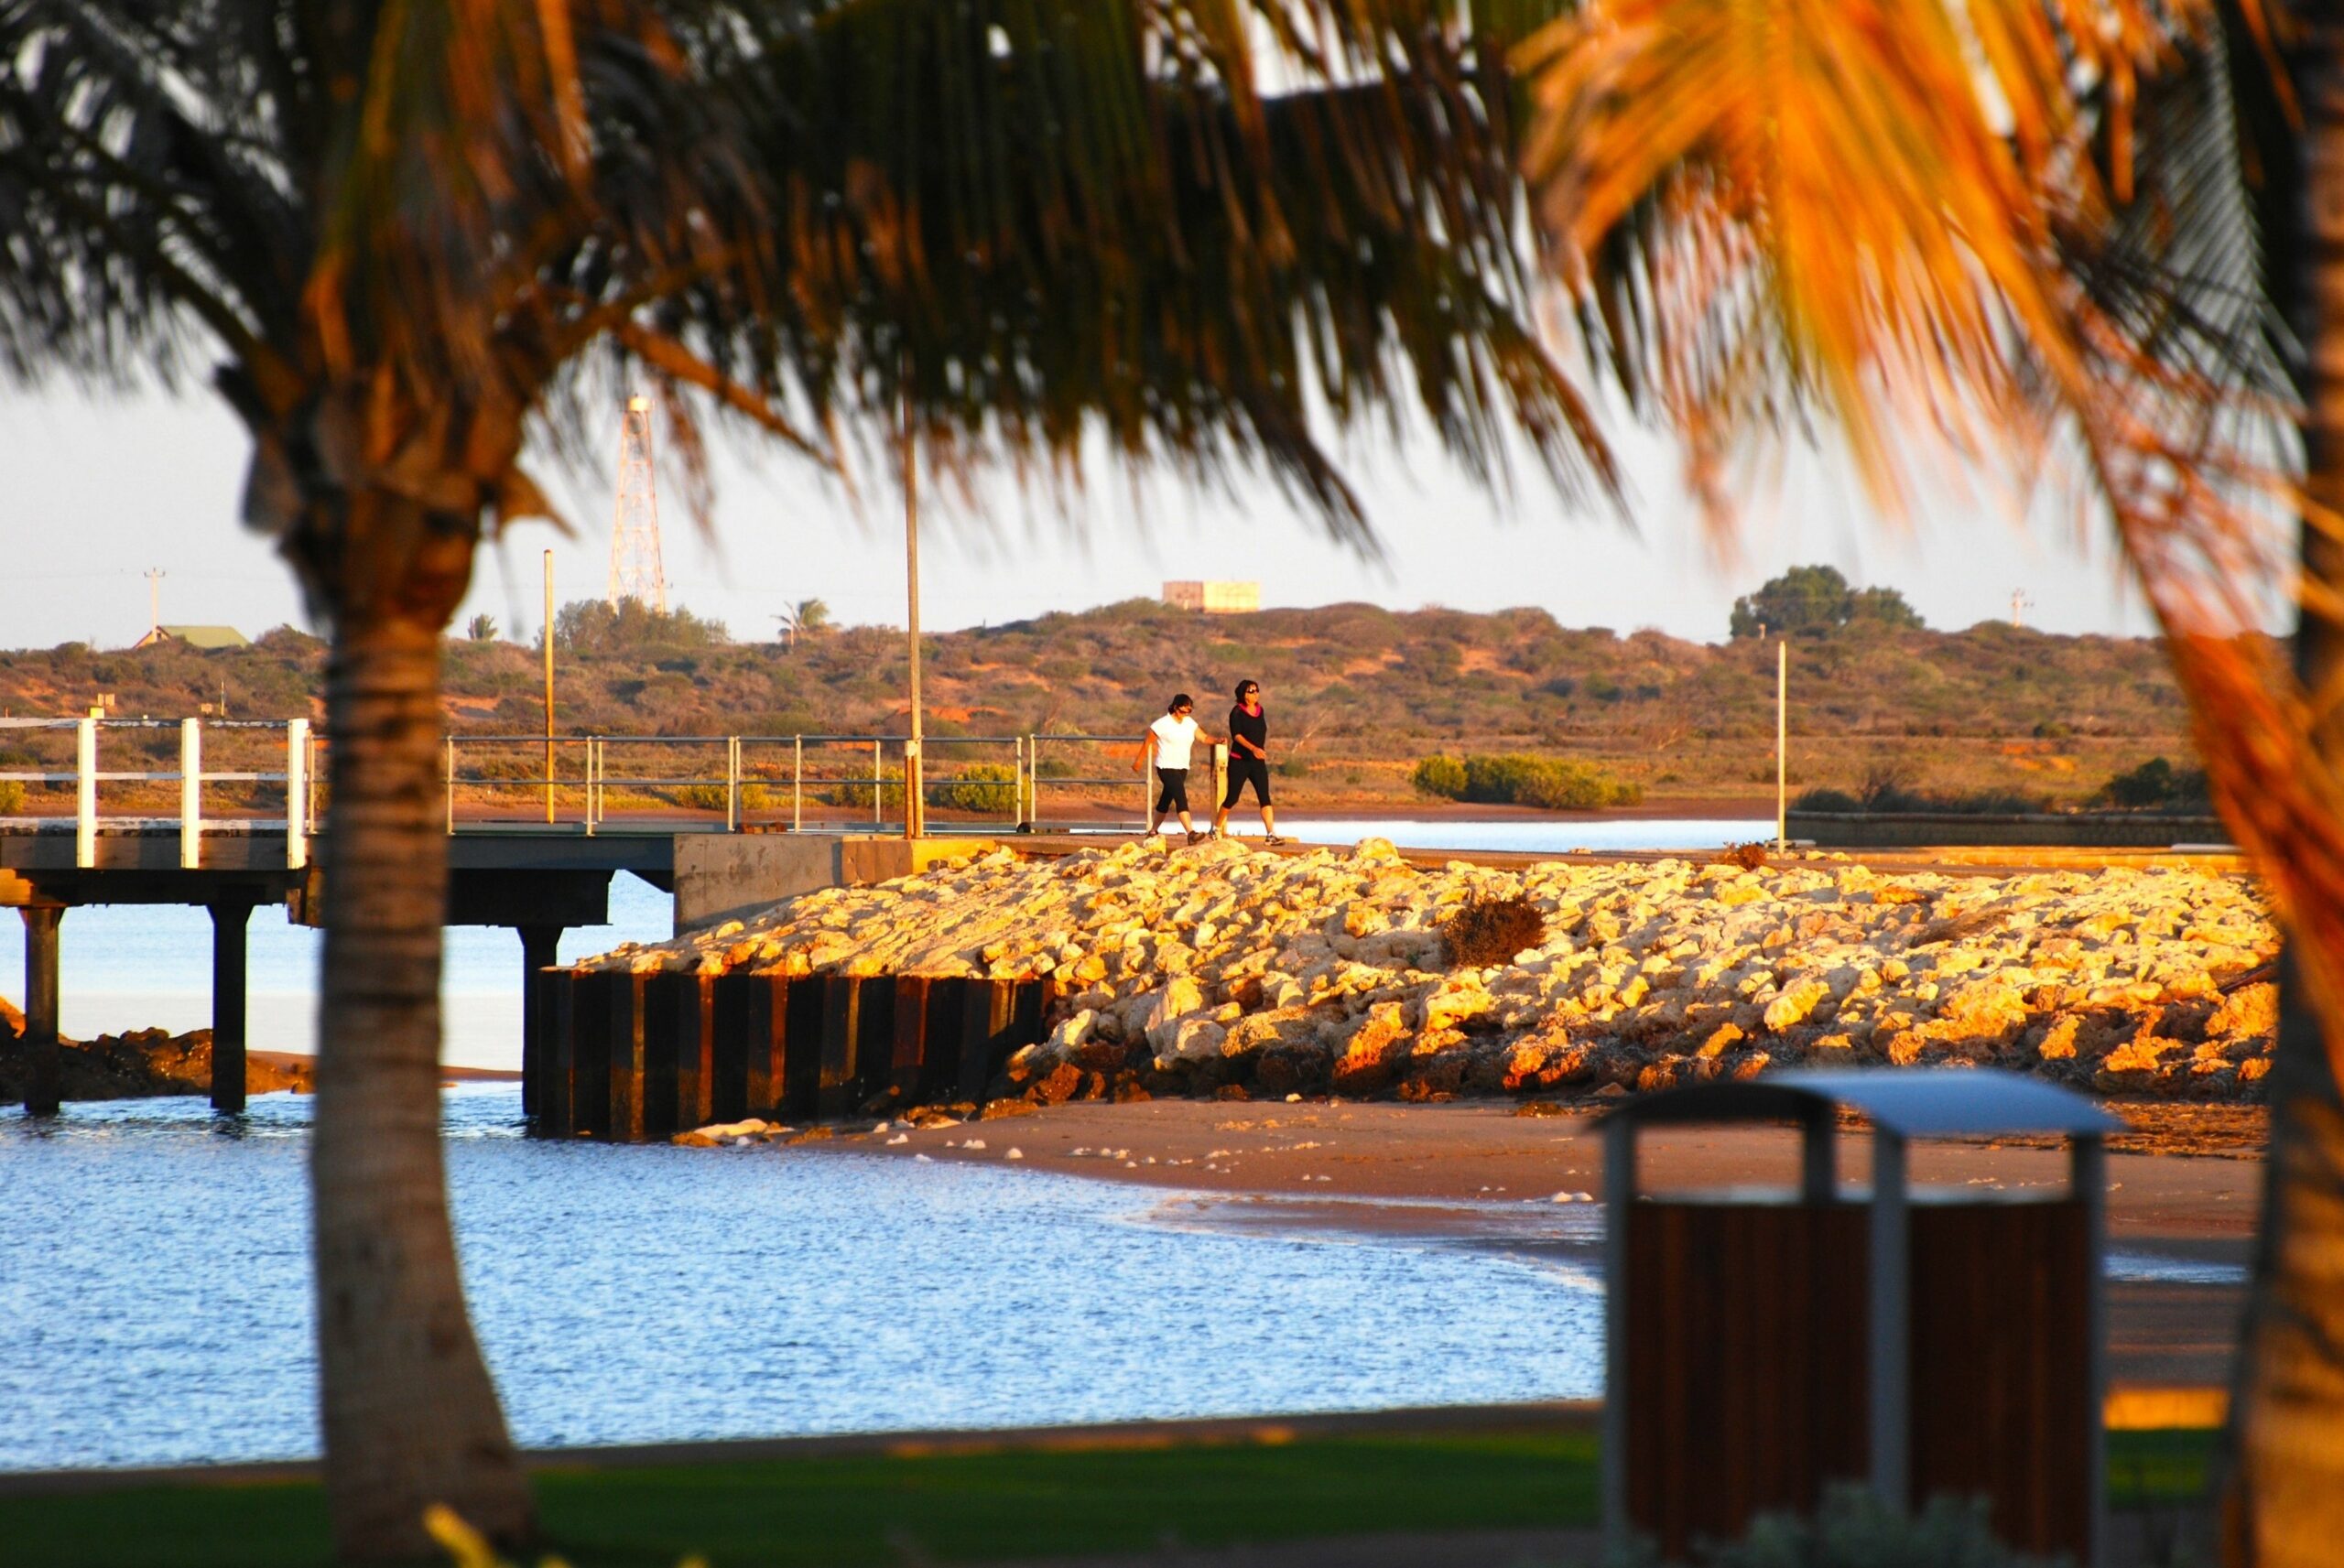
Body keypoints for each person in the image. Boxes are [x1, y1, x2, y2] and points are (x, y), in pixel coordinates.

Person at [1134, 692, 1212, 843]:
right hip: (1166, 766)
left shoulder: (1189, 723)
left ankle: (1153, 830)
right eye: (1183, 711)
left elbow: (1204, 737)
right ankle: (1190, 833)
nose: (1185, 714)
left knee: (1166, 799)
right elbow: (1147, 742)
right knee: (1180, 797)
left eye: (1189, 711)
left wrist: (1218, 741)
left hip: (1182, 766)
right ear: (1175, 707)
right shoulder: (1162, 723)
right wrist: (1139, 761)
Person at [1215, 679, 1286, 844]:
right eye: (1251, 691)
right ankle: (1216, 828)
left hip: (1257, 762)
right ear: (1243, 694)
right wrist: (1253, 748)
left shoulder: (1261, 711)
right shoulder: (1237, 712)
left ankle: (1271, 834)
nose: (1255, 694)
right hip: (1239, 761)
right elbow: (1237, 736)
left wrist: (1258, 751)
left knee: (1264, 797)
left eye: (1256, 690)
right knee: (1232, 798)